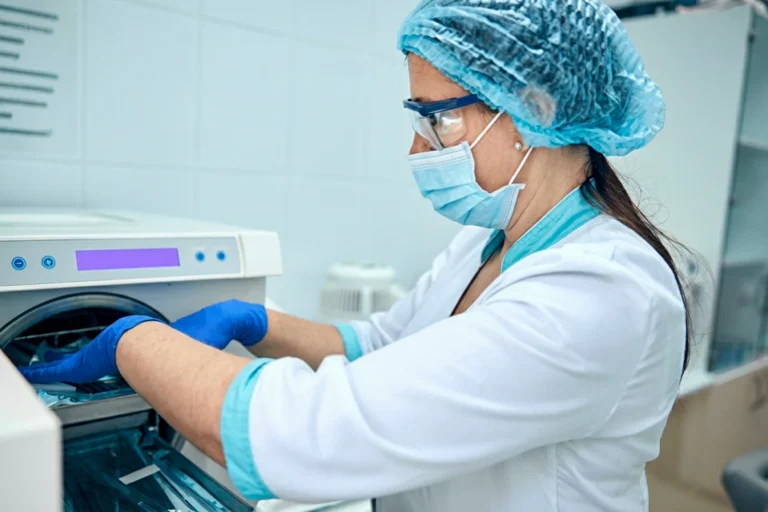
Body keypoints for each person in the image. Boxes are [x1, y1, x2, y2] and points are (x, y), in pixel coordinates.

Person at [20, 0, 690, 510]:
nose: (418, 150)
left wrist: (129, 340)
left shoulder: (600, 295)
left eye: (437, 119)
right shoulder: (490, 240)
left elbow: (297, 433)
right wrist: (256, 323)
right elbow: (382, 344)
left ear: (534, 107)